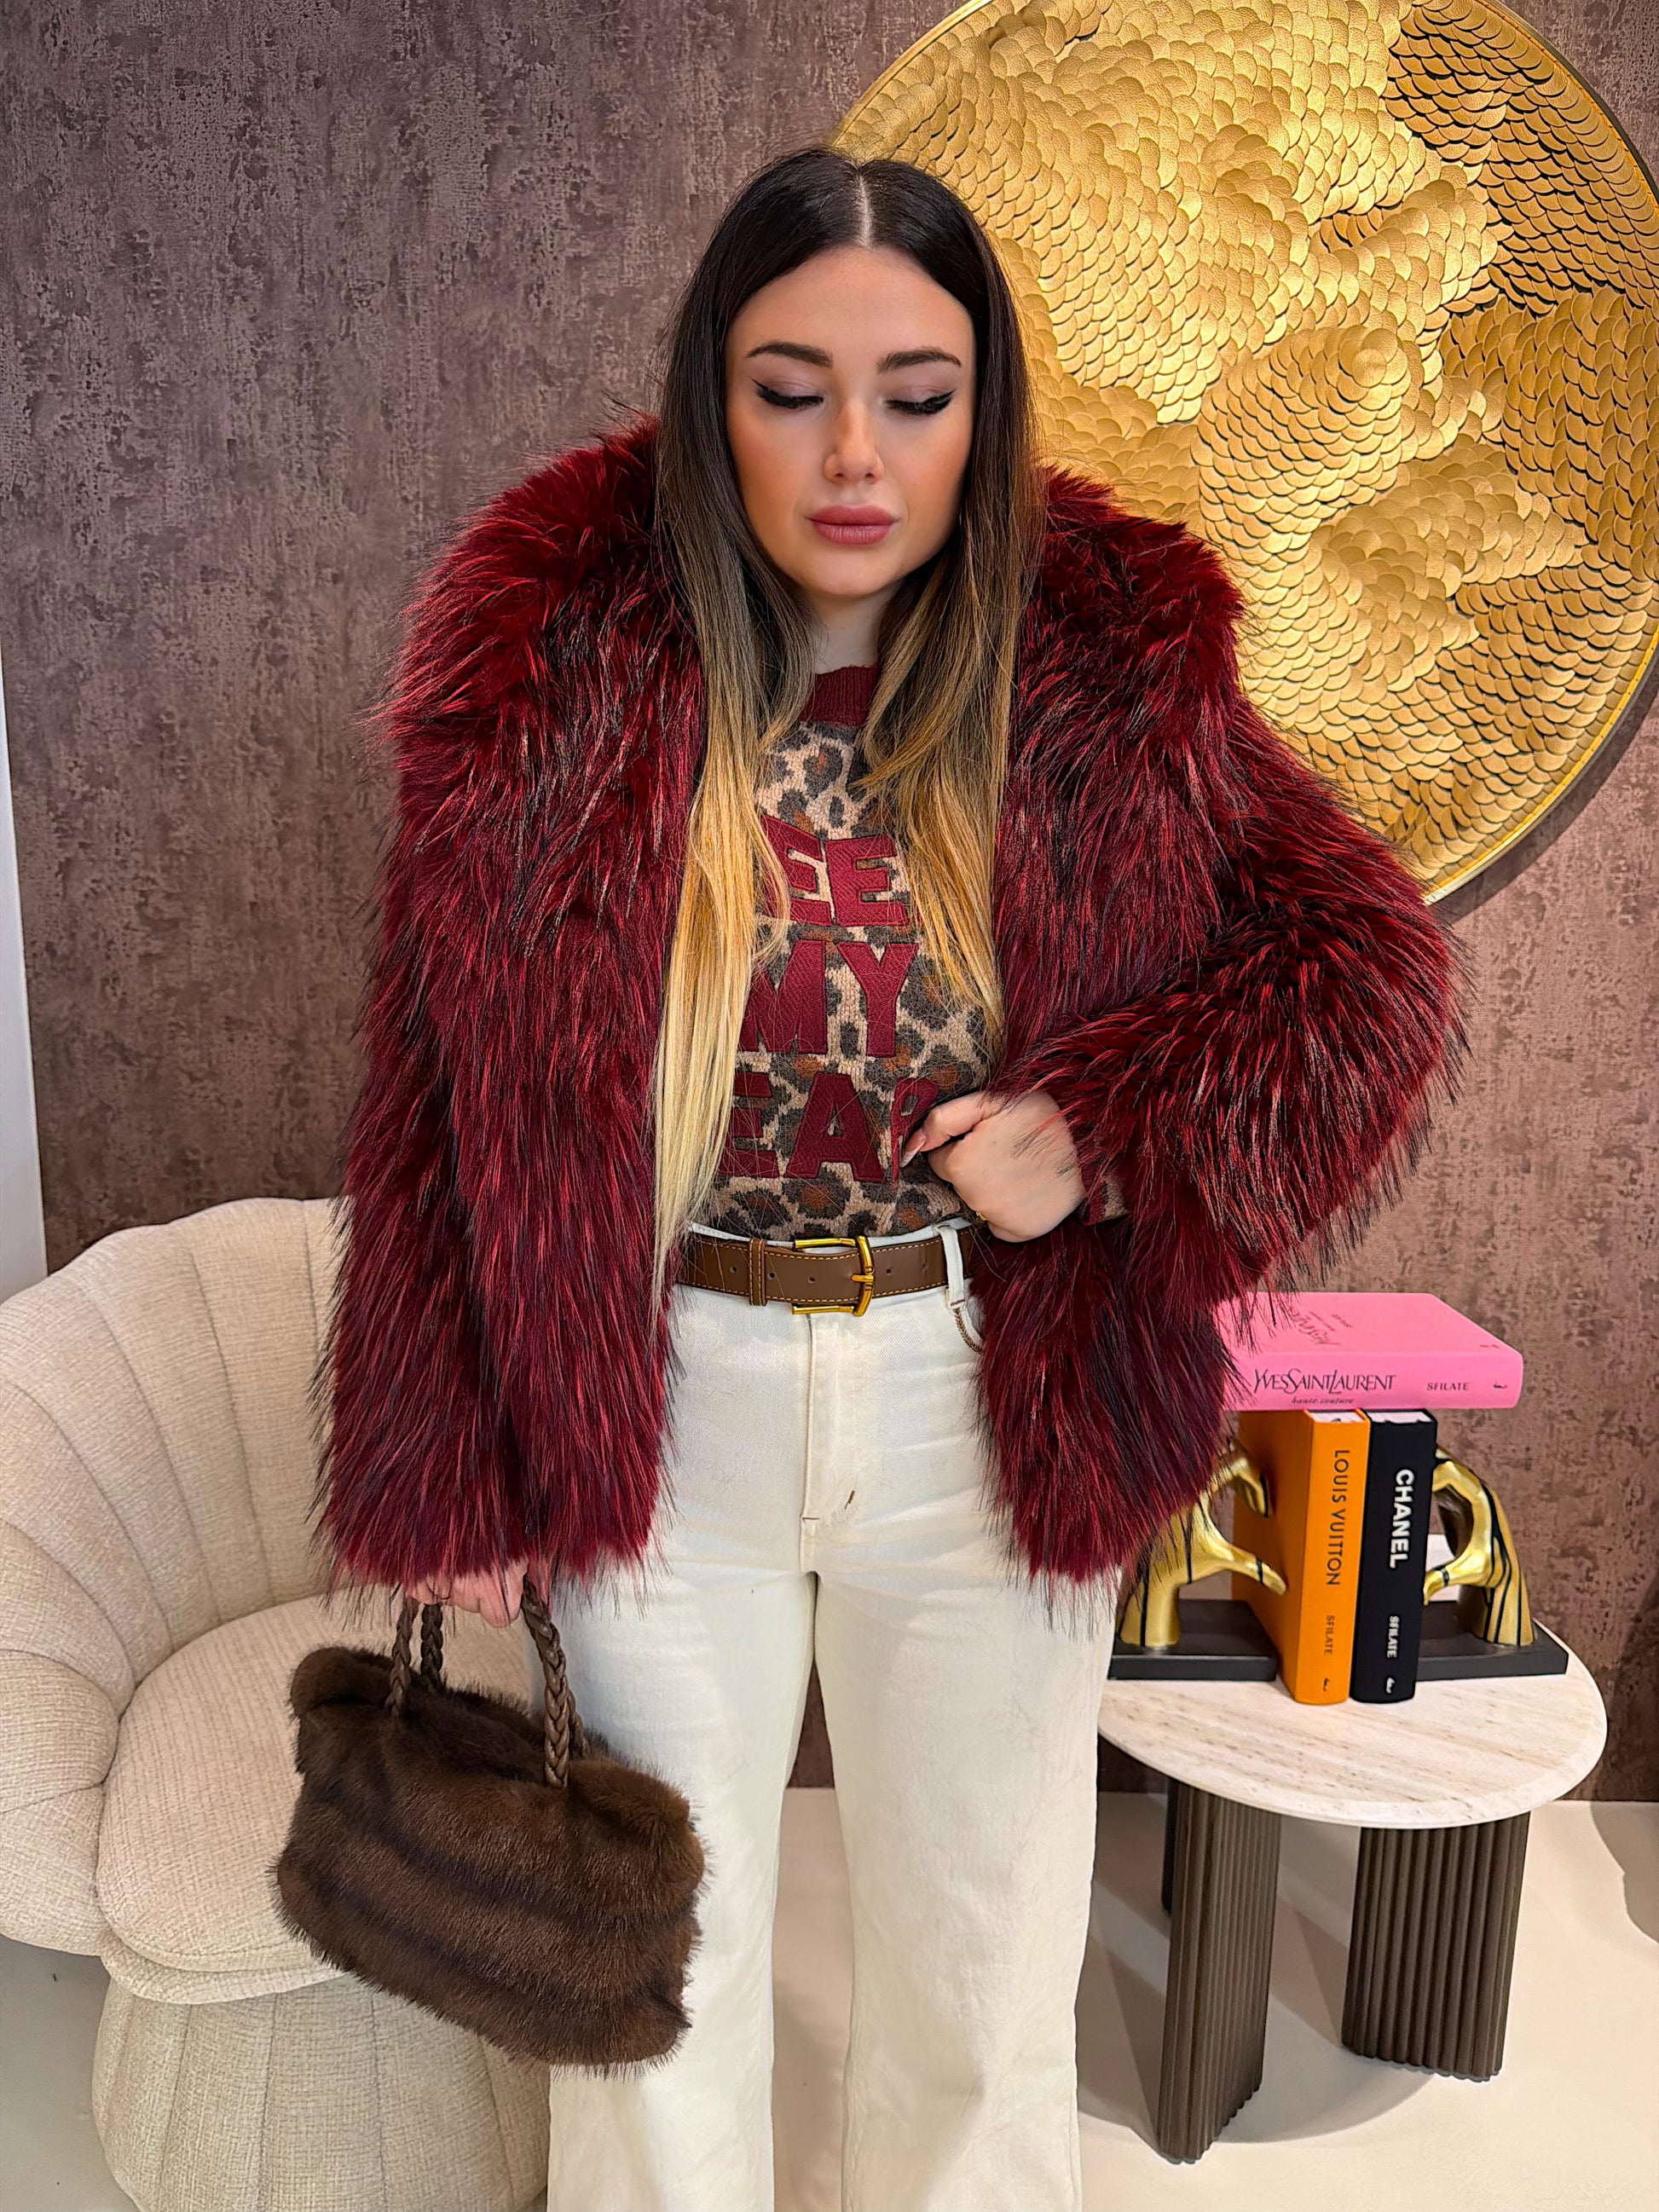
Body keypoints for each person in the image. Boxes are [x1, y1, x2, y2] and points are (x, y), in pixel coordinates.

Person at [313, 146, 1470, 2210]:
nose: (855, 450)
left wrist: (1103, 1130)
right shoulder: (556, 664)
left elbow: (1367, 969)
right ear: (711, 398)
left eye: (916, 393)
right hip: (657, 1404)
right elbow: (427, 1086)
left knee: (978, 1964)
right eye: (791, 387)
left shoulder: (1101, 664)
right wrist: (441, 1458)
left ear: (980, 407)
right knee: (648, 1967)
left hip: (978, 1389)